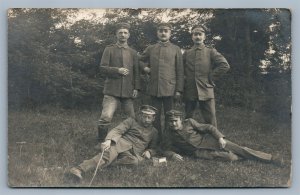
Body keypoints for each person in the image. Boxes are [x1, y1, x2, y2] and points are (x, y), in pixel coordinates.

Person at [68, 105, 158, 181]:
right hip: (119, 145)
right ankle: (78, 170)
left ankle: (107, 165)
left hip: (134, 154)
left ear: (154, 118)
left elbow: (154, 147)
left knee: (134, 163)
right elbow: (118, 130)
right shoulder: (131, 121)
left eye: (149, 117)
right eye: (144, 116)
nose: (146, 120)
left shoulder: (154, 132)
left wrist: (149, 152)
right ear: (140, 115)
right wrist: (109, 140)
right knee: (106, 156)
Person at [162, 110, 276, 163]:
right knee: (231, 158)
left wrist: (220, 138)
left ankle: (270, 158)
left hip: (209, 142)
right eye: (170, 122)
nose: (173, 124)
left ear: (181, 120)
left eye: (175, 121)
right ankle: (242, 156)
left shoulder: (190, 122)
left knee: (239, 149)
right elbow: (163, 148)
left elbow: (209, 128)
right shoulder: (168, 133)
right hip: (198, 152)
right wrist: (172, 155)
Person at [139, 22, 184, 143]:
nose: (163, 33)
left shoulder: (176, 49)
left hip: (171, 88)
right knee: (155, 116)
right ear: (157, 33)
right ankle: (156, 140)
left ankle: (171, 140)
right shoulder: (151, 48)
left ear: (170, 33)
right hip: (155, 88)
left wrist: (179, 90)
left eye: (166, 31)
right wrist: (145, 68)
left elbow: (180, 70)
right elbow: (139, 61)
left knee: (171, 116)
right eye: (161, 31)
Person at [97, 22, 140, 140]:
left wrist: (136, 88)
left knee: (131, 118)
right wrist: (117, 70)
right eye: (120, 32)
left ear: (129, 35)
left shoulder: (133, 52)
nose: (123, 35)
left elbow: (136, 71)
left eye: (125, 33)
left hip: (128, 90)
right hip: (112, 90)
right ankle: (101, 142)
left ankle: (130, 141)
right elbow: (102, 68)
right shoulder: (109, 49)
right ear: (116, 34)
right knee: (106, 117)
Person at [183, 25, 230, 127]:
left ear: (204, 37)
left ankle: (214, 140)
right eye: (195, 34)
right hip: (190, 90)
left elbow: (224, 65)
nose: (198, 37)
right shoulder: (187, 53)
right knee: (188, 119)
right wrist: (184, 80)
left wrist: (211, 77)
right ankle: (186, 140)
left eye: (200, 34)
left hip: (206, 89)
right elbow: (180, 69)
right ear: (192, 37)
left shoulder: (210, 51)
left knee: (211, 119)